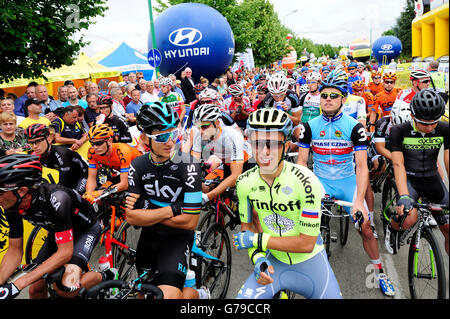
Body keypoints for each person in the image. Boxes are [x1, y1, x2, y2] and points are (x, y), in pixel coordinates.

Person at [296, 69, 395, 297]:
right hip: (320, 181)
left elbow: (361, 166)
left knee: (367, 229)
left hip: (347, 182)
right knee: (303, 227)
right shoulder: (309, 127)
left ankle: (380, 273)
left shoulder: (355, 127)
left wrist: (359, 201)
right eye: (324, 96)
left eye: (333, 95)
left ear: (343, 98)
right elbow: (302, 163)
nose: (328, 99)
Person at [233, 108, 342, 299]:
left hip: (311, 263)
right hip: (274, 263)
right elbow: (247, 229)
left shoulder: (305, 181)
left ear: (285, 145)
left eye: (273, 144)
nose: (265, 153)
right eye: (257, 144)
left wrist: (257, 240)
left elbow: (306, 243)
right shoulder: (244, 182)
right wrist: (258, 259)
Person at [124, 102, 209, 300]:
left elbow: (190, 222)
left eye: (173, 134)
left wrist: (147, 211)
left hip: (177, 239)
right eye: (162, 136)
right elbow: (131, 217)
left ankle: (199, 295)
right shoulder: (137, 165)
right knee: (143, 296)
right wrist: (174, 209)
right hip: (149, 239)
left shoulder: (189, 165)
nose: (170, 142)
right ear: (144, 138)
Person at [0, 154, 110, 299]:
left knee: (66, 289)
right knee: (35, 290)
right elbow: (14, 251)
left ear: (22, 190)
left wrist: (18, 284)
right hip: (58, 232)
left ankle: (106, 276)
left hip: (84, 231)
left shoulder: (57, 198)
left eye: (1, 191)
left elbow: (65, 252)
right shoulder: (11, 206)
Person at [387, 89, 449, 255]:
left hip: (432, 180)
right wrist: (404, 196)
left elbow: (448, 161)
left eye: (434, 123)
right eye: (424, 123)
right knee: (409, 219)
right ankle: (392, 228)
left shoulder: (445, 129)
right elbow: (398, 165)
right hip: (409, 180)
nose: (429, 128)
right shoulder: (399, 130)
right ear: (413, 116)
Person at [191, 104, 252, 206]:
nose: (201, 131)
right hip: (227, 163)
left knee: (247, 202)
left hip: (248, 163)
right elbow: (193, 161)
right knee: (205, 187)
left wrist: (209, 196)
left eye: (205, 127)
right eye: (198, 127)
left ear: (217, 123)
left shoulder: (232, 136)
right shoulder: (198, 133)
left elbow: (236, 174)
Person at [83, 124, 141, 203]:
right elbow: (91, 178)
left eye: (99, 143)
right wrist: (89, 194)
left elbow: (125, 184)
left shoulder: (121, 151)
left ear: (109, 141)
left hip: (141, 173)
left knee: (118, 196)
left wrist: (100, 193)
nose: (95, 147)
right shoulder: (92, 152)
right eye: (92, 143)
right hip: (126, 174)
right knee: (102, 189)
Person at [24, 123, 88, 194]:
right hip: (71, 176)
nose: (35, 146)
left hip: (84, 175)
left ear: (49, 139)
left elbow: (64, 182)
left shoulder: (61, 153)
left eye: (39, 141)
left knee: (71, 197)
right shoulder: (37, 155)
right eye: (31, 143)